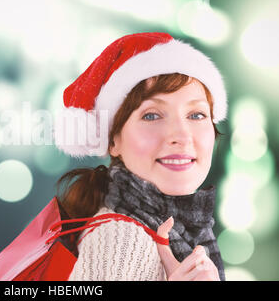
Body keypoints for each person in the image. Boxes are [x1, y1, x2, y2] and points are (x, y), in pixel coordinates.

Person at [52, 32, 227, 281]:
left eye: (196, 115)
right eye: (152, 115)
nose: (181, 135)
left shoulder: (182, 229)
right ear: (113, 140)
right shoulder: (123, 237)